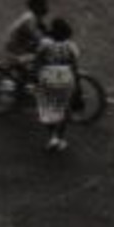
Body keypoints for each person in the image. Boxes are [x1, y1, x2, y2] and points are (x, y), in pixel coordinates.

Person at [34, 19, 81, 152]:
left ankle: (52, 136)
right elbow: (75, 67)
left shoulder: (45, 43)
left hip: (47, 76)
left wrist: (37, 78)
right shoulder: (71, 46)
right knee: (64, 111)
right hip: (65, 77)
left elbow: (38, 61)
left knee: (48, 111)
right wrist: (78, 86)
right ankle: (58, 138)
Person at [3, 0, 50, 76]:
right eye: (42, 5)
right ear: (36, 7)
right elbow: (35, 35)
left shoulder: (35, 17)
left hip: (21, 44)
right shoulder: (30, 18)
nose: (45, 7)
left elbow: (44, 30)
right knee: (39, 56)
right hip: (16, 47)